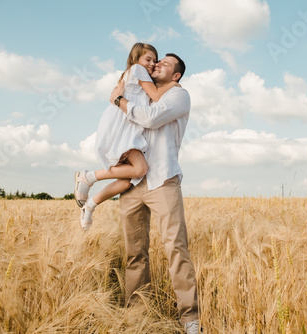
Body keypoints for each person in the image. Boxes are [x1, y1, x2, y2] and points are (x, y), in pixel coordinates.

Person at [109, 53, 200, 333]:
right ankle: (137, 312)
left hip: (163, 180)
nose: (158, 64)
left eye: (166, 64)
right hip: (134, 183)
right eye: (158, 61)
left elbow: (150, 119)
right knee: (135, 252)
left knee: (175, 248)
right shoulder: (143, 96)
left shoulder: (178, 96)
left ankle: (190, 318)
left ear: (176, 76)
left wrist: (118, 100)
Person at [74, 43, 178, 231]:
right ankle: (88, 176)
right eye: (148, 59)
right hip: (124, 127)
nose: (152, 64)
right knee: (139, 169)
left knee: (127, 181)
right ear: (135, 58)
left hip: (129, 126)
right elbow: (155, 96)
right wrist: (173, 84)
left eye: (154, 60)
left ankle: (90, 205)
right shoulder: (138, 69)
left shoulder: (136, 74)